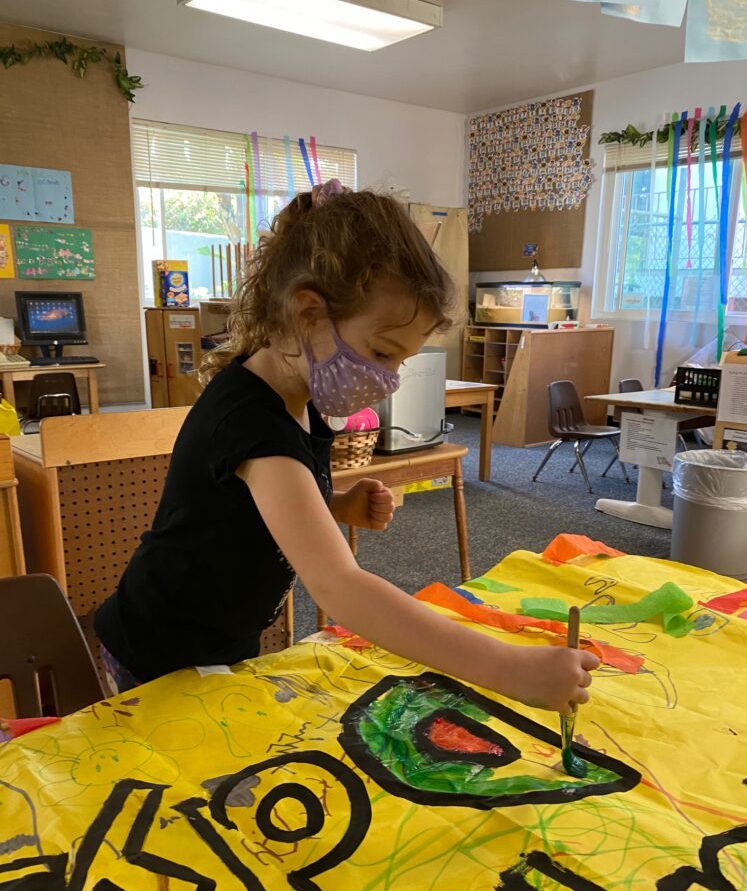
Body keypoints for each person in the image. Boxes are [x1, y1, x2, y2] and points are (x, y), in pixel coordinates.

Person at [96, 182, 597, 714]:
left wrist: (333, 505)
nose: (389, 380)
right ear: (308, 313)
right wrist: (510, 668)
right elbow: (340, 588)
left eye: (399, 361)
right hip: (157, 656)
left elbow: (246, 507)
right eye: (382, 352)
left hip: (217, 645)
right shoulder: (251, 422)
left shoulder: (296, 391)